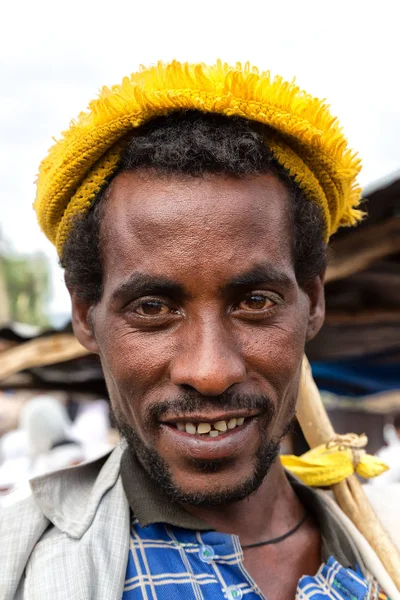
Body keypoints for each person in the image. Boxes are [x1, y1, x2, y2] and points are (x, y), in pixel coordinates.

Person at [1, 61, 398, 600]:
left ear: (313, 301)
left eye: (255, 302)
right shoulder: (19, 568)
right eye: (152, 308)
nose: (210, 371)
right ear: (84, 314)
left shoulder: (384, 545)